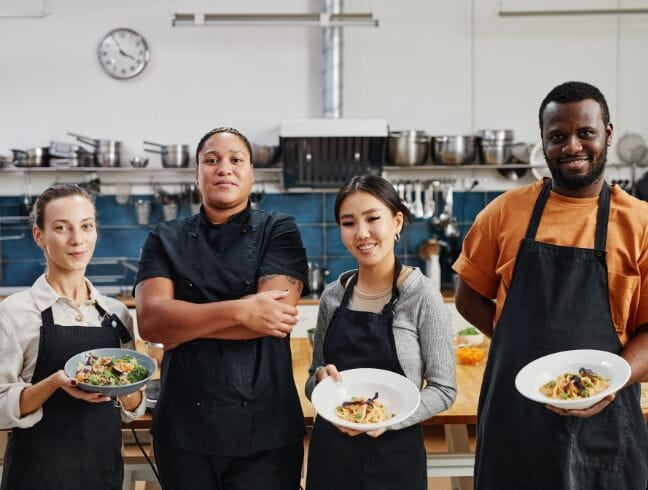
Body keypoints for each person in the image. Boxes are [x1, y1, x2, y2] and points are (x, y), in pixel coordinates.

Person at [453, 81, 648, 489]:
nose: (572, 146)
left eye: (586, 133)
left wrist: (613, 379)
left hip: (606, 421)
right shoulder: (504, 212)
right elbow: (468, 296)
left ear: (608, 134)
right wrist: (516, 341)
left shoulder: (640, 224)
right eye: (557, 136)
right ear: (542, 140)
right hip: (515, 413)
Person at [134, 127, 309, 489]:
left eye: (235, 160)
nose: (223, 168)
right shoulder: (164, 237)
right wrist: (242, 311)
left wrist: (182, 320)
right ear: (197, 174)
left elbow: (272, 317)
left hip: (267, 429)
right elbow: (151, 323)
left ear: (251, 174)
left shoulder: (280, 230)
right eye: (211, 160)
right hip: (183, 430)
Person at [305, 174, 456, 490]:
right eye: (348, 223)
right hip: (332, 457)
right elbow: (313, 377)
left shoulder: (422, 296)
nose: (361, 233)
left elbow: (444, 389)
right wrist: (319, 380)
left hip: (395, 460)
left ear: (397, 222)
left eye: (373, 218)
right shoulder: (332, 297)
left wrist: (387, 420)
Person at [0, 184, 145, 490]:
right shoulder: (15, 312)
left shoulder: (116, 313)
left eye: (86, 226)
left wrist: (127, 386)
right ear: (40, 236)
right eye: (62, 228)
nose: (77, 239)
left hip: (102, 473)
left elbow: (133, 408)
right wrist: (54, 383)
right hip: (37, 475)